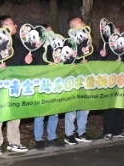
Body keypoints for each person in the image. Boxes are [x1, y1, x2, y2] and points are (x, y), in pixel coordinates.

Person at [0, 15, 31, 155]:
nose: (16, 26)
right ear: (4, 26)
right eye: (13, 24)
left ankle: (14, 142)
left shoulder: (18, 42)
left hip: (15, 83)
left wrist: (28, 61)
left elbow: (23, 63)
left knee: (15, 113)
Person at [64, 16, 94, 145]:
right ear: (73, 26)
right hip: (73, 80)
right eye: (80, 23)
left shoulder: (88, 41)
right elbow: (64, 60)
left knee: (85, 108)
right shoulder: (67, 43)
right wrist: (75, 62)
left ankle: (81, 132)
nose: (83, 24)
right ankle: (69, 134)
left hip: (86, 79)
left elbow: (96, 56)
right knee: (72, 109)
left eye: (83, 22)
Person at [31, 24, 62, 150]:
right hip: (41, 84)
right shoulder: (36, 49)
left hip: (55, 84)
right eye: (47, 32)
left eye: (51, 32)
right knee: (40, 113)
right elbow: (33, 66)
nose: (50, 35)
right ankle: (38, 138)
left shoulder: (56, 48)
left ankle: (52, 137)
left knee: (54, 112)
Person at [102, 28, 124, 140]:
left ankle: (118, 130)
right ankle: (108, 131)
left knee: (121, 106)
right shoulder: (106, 46)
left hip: (122, 80)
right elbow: (102, 64)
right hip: (110, 80)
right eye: (115, 31)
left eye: (118, 31)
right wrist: (111, 61)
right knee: (110, 107)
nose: (117, 32)